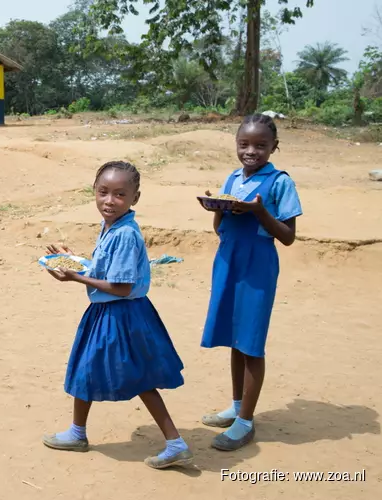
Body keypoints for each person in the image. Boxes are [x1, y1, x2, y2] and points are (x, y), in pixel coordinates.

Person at [41, 160, 192, 470]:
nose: (109, 201)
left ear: (135, 198)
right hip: (111, 313)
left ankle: (175, 443)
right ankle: (77, 432)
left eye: (119, 195)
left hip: (120, 315)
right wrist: (73, 260)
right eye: (103, 192)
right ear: (94, 192)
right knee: (90, 371)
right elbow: (107, 270)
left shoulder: (124, 234)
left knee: (136, 378)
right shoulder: (112, 225)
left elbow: (122, 287)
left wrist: (76, 277)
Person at [200, 114, 303, 451]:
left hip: (257, 265)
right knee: (233, 336)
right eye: (244, 144)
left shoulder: (280, 182)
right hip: (228, 261)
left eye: (260, 145)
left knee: (251, 342)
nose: (251, 151)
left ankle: (245, 422)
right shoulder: (233, 177)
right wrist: (217, 206)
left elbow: (287, 236)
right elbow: (219, 228)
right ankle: (235, 406)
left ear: (274, 147)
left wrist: (260, 213)